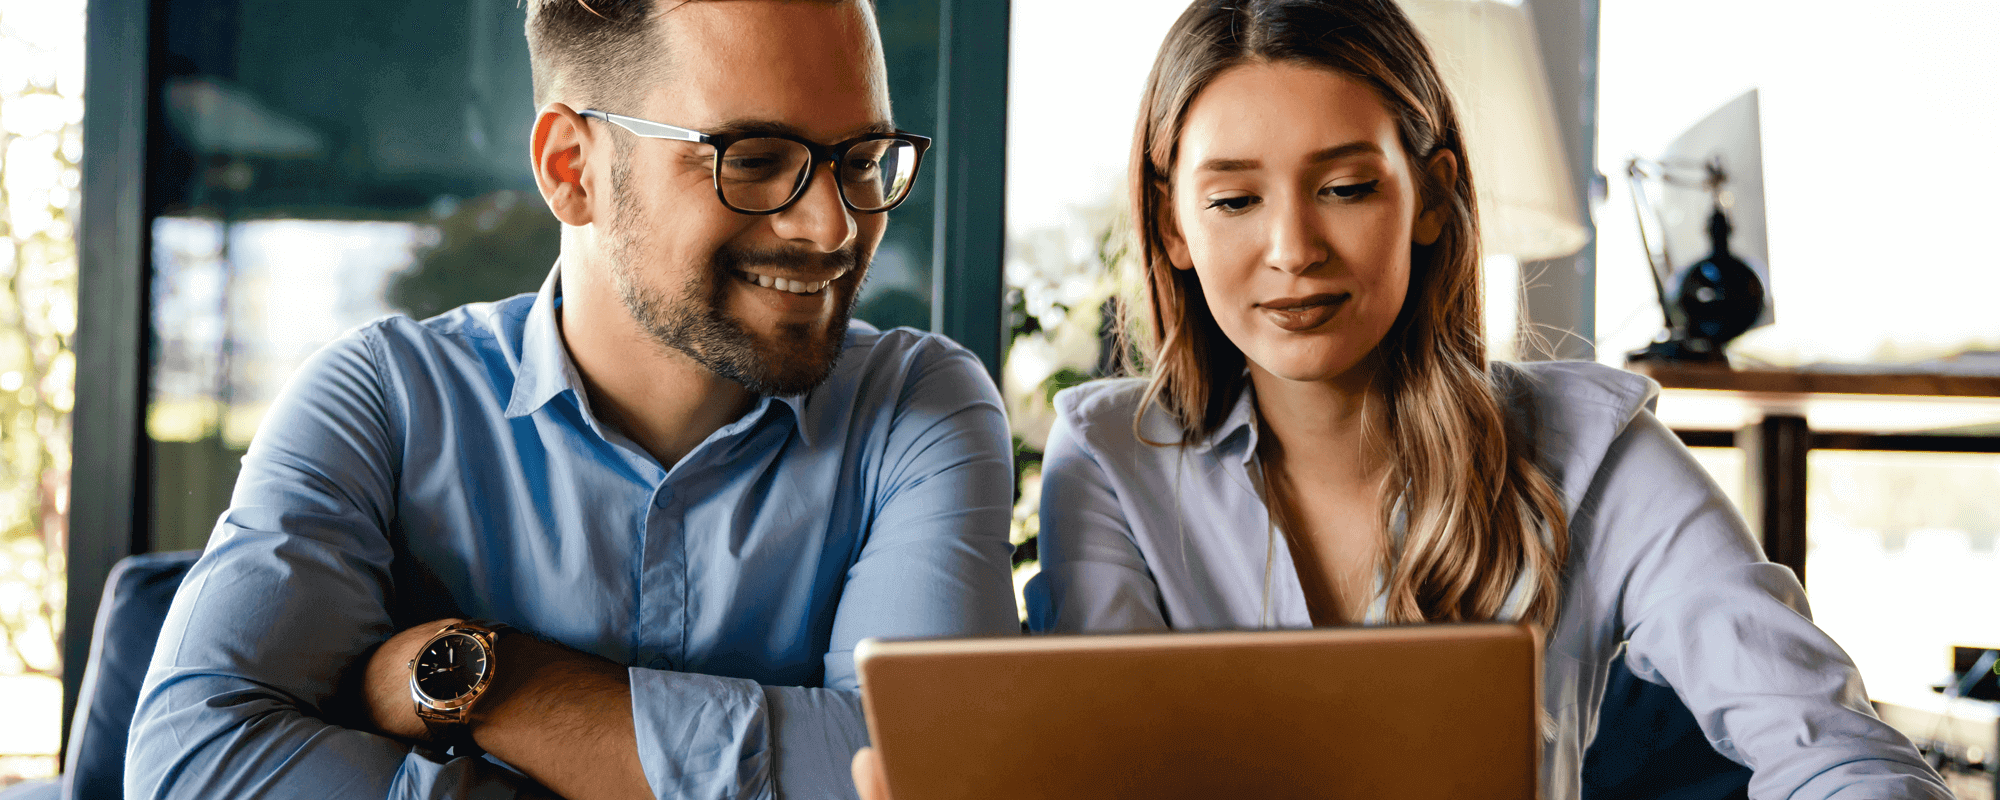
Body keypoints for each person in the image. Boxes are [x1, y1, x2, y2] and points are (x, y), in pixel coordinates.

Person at [999, 1, 1944, 799]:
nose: (1293, 248)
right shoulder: (1113, 457)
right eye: (1234, 201)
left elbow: (1837, 752)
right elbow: (1102, 773)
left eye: (1346, 186)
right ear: (1172, 225)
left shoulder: (1595, 451)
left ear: (1434, 197)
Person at [126, 2, 1020, 799]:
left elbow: (945, 773)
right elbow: (190, 764)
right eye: (754, 159)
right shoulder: (384, 403)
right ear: (570, 169)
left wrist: (498, 682)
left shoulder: (921, 408)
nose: (833, 225)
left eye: (862, 159)